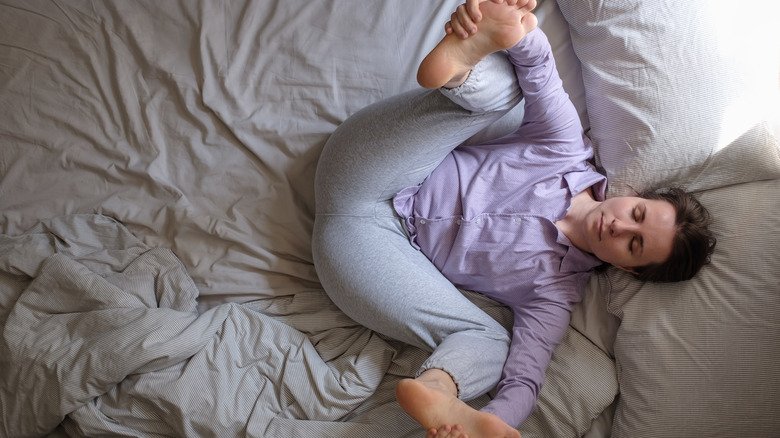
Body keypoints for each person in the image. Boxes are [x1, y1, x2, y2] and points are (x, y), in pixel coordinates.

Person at [312, 1, 716, 437]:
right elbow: (541, 73)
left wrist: (500, 421)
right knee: (511, 91)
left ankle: (436, 391)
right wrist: (520, 27)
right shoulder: (565, 148)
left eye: (633, 243)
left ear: (626, 267)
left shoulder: (554, 294)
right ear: (633, 196)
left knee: (493, 341)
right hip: (368, 166)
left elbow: (527, 375)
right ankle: (468, 59)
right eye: (637, 214)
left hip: (361, 254)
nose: (620, 226)